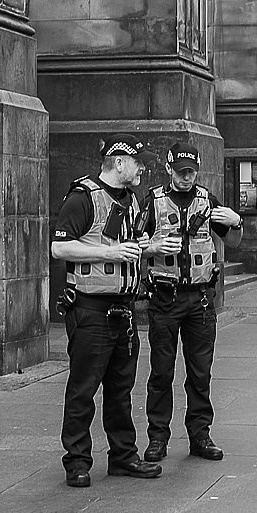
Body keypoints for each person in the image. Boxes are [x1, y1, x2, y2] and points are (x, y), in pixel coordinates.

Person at [51, 133, 163, 488]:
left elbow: (120, 244)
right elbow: (59, 248)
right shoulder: (83, 197)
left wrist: (145, 247)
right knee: (83, 389)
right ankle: (77, 462)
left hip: (124, 310)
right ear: (119, 162)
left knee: (121, 389)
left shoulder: (131, 200)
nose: (143, 168)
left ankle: (123, 456)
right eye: (138, 162)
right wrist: (111, 254)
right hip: (90, 310)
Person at [140, 142, 242, 464]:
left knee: (200, 373)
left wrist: (236, 221)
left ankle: (200, 435)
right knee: (161, 373)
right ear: (169, 169)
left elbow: (233, 241)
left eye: (192, 172)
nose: (187, 178)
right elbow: (133, 245)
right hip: (165, 300)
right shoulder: (152, 202)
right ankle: (158, 438)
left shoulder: (207, 201)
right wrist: (152, 246)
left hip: (199, 300)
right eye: (182, 172)